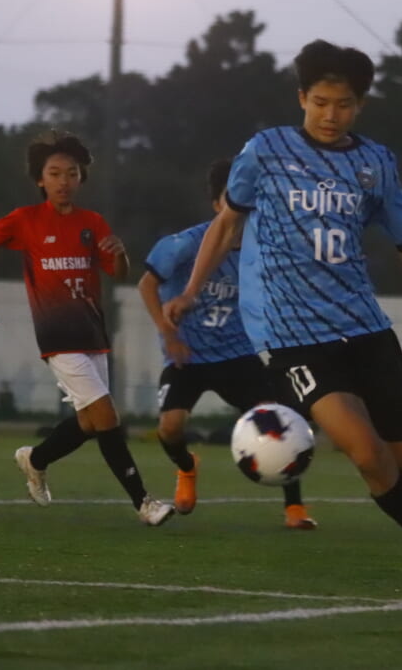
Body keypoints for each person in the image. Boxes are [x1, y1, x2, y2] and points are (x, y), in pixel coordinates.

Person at [162, 40, 402, 603]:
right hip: (292, 337)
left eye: (343, 104)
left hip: (364, 327)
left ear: (360, 105)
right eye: (319, 102)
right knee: (368, 455)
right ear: (301, 98)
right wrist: (193, 290)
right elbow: (226, 224)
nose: (330, 115)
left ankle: (381, 469)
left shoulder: (375, 164)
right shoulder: (265, 151)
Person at [0, 130, 174, 527]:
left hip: (92, 333)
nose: (64, 181)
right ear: (40, 179)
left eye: (72, 173)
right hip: (57, 337)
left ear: (81, 179)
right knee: (107, 416)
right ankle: (144, 502)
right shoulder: (25, 220)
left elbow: (116, 273)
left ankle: (36, 459)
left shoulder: (91, 223)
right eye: (55, 173)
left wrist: (121, 254)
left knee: (89, 422)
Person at [139, 158, 318, 530]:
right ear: (216, 203)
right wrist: (168, 333)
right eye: (231, 197)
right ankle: (187, 467)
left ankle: (295, 508)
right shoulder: (186, 244)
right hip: (188, 354)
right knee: (170, 428)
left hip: (239, 356)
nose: (241, 206)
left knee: (280, 420)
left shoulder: (262, 250)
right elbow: (147, 284)